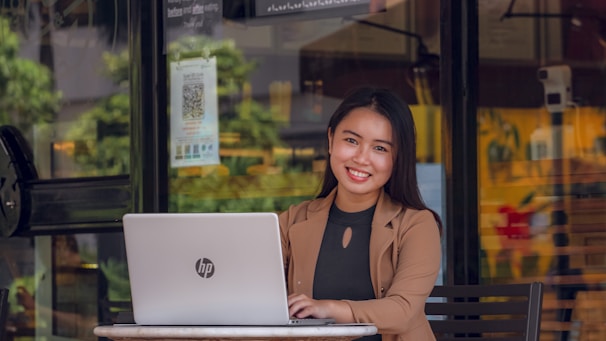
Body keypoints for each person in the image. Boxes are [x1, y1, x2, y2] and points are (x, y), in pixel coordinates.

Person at [279, 86, 442, 340]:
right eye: (352, 141)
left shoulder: (417, 225)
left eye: (380, 148)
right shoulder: (292, 221)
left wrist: (330, 308)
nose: (361, 158)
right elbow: (256, 300)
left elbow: (403, 311)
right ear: (331, 139)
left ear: (397, 159)